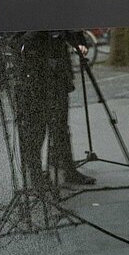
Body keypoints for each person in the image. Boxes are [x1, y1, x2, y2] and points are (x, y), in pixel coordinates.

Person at [11, 29, 95, 190]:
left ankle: (66, 169)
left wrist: (79, 42)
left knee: (61, 125)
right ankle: (35, 176)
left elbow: (70, 27)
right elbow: (16, 42)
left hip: (58, 72)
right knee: (36, 127)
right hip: (34, 74)